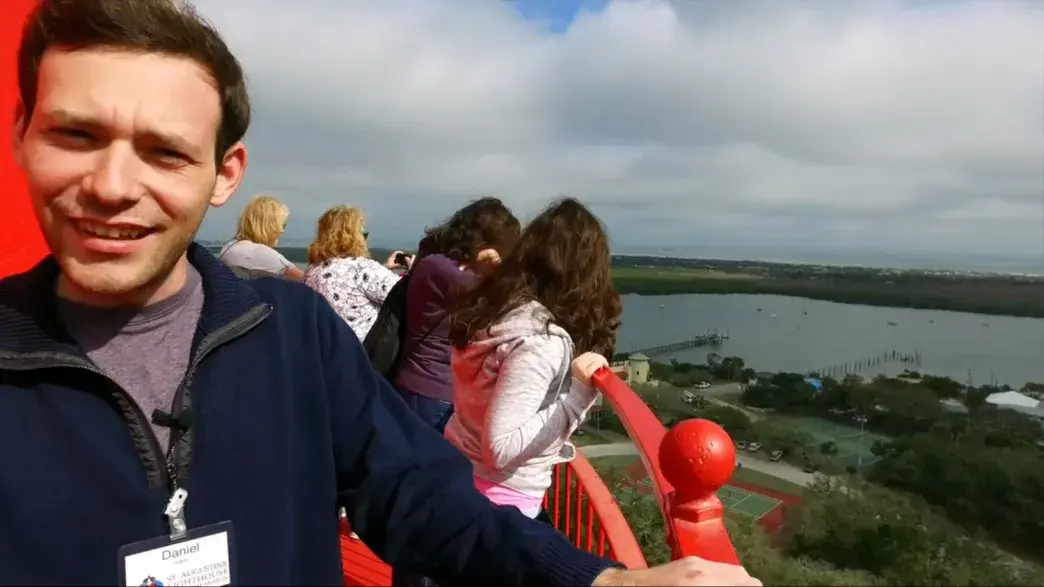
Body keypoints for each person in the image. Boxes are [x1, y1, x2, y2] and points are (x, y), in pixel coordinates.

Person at [0, 1, 761, 586]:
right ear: (22, 129)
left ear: (226, 173)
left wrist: (596, 576)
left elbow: (417, 495)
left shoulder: (291, 331)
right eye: (77, 136)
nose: (112, 186)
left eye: (165, 152)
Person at [445, 198, 618, 523]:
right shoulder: (540, 339)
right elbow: (500, 448)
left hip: (457, 475)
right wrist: (578, 395)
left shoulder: (496, 310)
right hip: (502, 502)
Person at [394, 197, 520, 433]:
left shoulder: (440, 264)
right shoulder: (442, 268)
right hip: (431, 391)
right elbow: (504, 302)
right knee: (431, 468)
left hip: (436, 390)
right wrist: (498, 267)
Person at [304, 205, 411, 340]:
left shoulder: (312, 269)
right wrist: (413, 270)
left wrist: (384, 268)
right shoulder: (363, 269)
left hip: (322, 349)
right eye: (363, 234)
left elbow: (351, 282)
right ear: (353, 236)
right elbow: (408, 296)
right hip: (358, 353)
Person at [219, 194, 304, 280]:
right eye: (283, 225)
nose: (282, 230)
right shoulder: (262, 254)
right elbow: (307, 281)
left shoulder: (228, 248)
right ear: (270, 225)